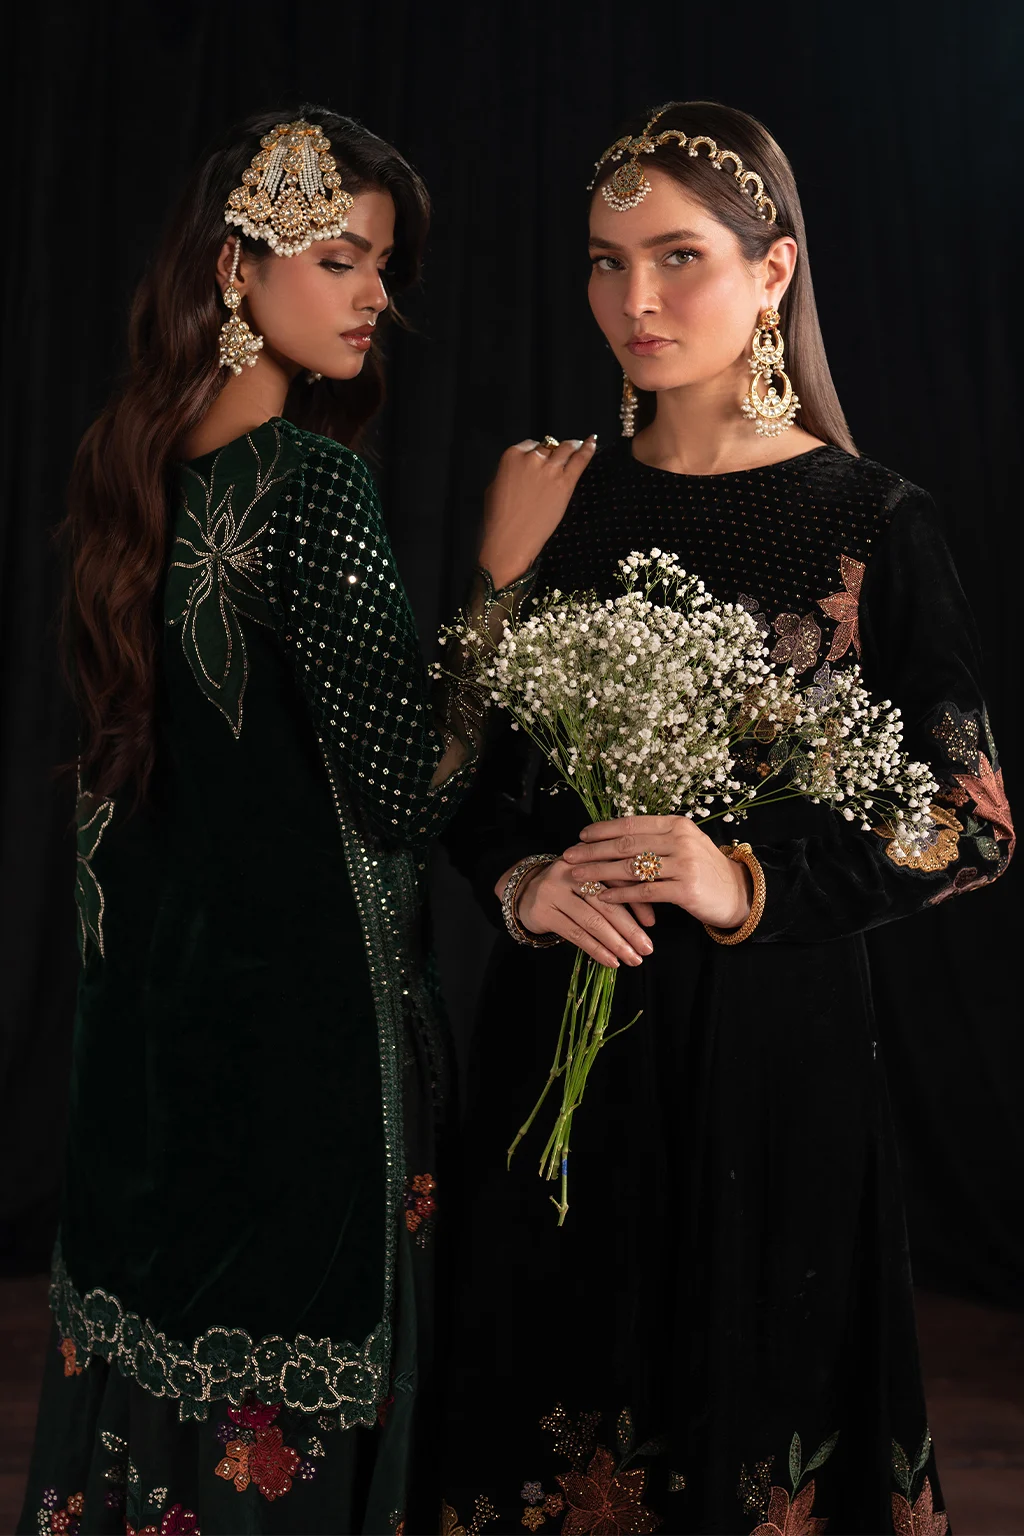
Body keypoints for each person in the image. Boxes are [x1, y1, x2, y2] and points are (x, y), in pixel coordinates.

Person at [439, 101, 1013, 1536]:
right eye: (606, 260)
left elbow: (974, 822)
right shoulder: (552, 496)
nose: (633, 298)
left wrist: (746, 878)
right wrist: (519, 880)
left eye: (678, 256)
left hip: (772, 1056)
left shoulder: (872, 516)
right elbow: (458, 781)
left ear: (774, 271)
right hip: (560, 1037)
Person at [18, 106, 593, 1536]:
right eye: (340, 260)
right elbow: (409, 789)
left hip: (152, 1062)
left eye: (382, 266)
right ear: (234, 267)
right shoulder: (309, 485)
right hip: (304, 1071)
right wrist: (502, 576)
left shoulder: (135, 470)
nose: (374, 297)